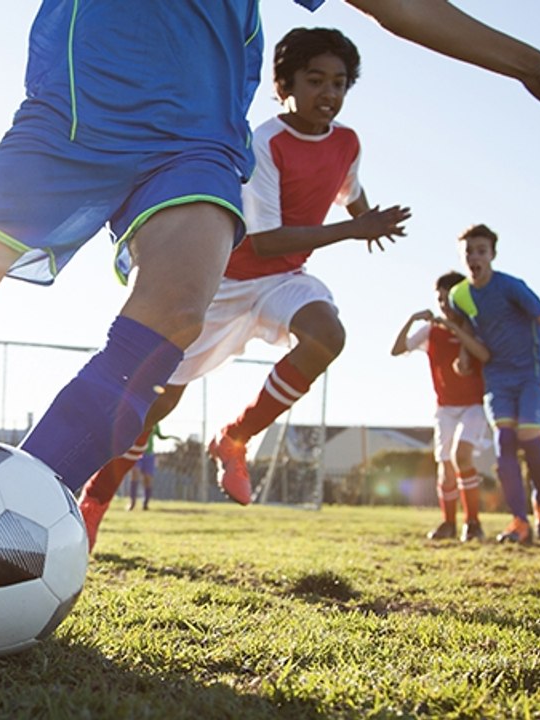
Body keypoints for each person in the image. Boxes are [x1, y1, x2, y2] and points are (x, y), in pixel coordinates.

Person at [0, 0, 540, 503]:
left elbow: (398, 6)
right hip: (62, 131)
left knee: (172, 309)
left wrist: (530, 63)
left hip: (195, 144)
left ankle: (23, 503)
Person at [75, 26, 407, 550]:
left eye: (339, 83)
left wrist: (369, 218)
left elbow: (350, 189)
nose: (329, 94)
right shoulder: (264, 143)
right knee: (157, 406)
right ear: (285, 87)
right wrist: (353, 229)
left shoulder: (348, 142)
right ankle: (96, 498)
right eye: (315, 80)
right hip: (225, 281)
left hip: (281, 281)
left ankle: (236, 438)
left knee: (327, 335)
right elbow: (270, 239)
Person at [449, 224, 540, 544]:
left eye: (481, 251)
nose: (474, 257)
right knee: (505, 442)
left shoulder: (512, 287)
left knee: (528, 435)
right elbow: (467, 326)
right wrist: (464, 356)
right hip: (497, 376)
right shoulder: (460, 294)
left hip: (531, 372)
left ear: (492, 255)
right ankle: (519, 521)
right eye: (469, 251)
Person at [391, 271, 492, 543]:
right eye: (440, 300)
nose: (445, 305)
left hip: (473, 405)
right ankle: (448, 523)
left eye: (449, 299)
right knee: (445, 465)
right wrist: (412, 319)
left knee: (462, 456)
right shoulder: (431, 331)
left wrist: (459, 333)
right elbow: (397, 349)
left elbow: (485, 355)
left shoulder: (475, 327)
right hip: (445, 408)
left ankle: (473, 523)